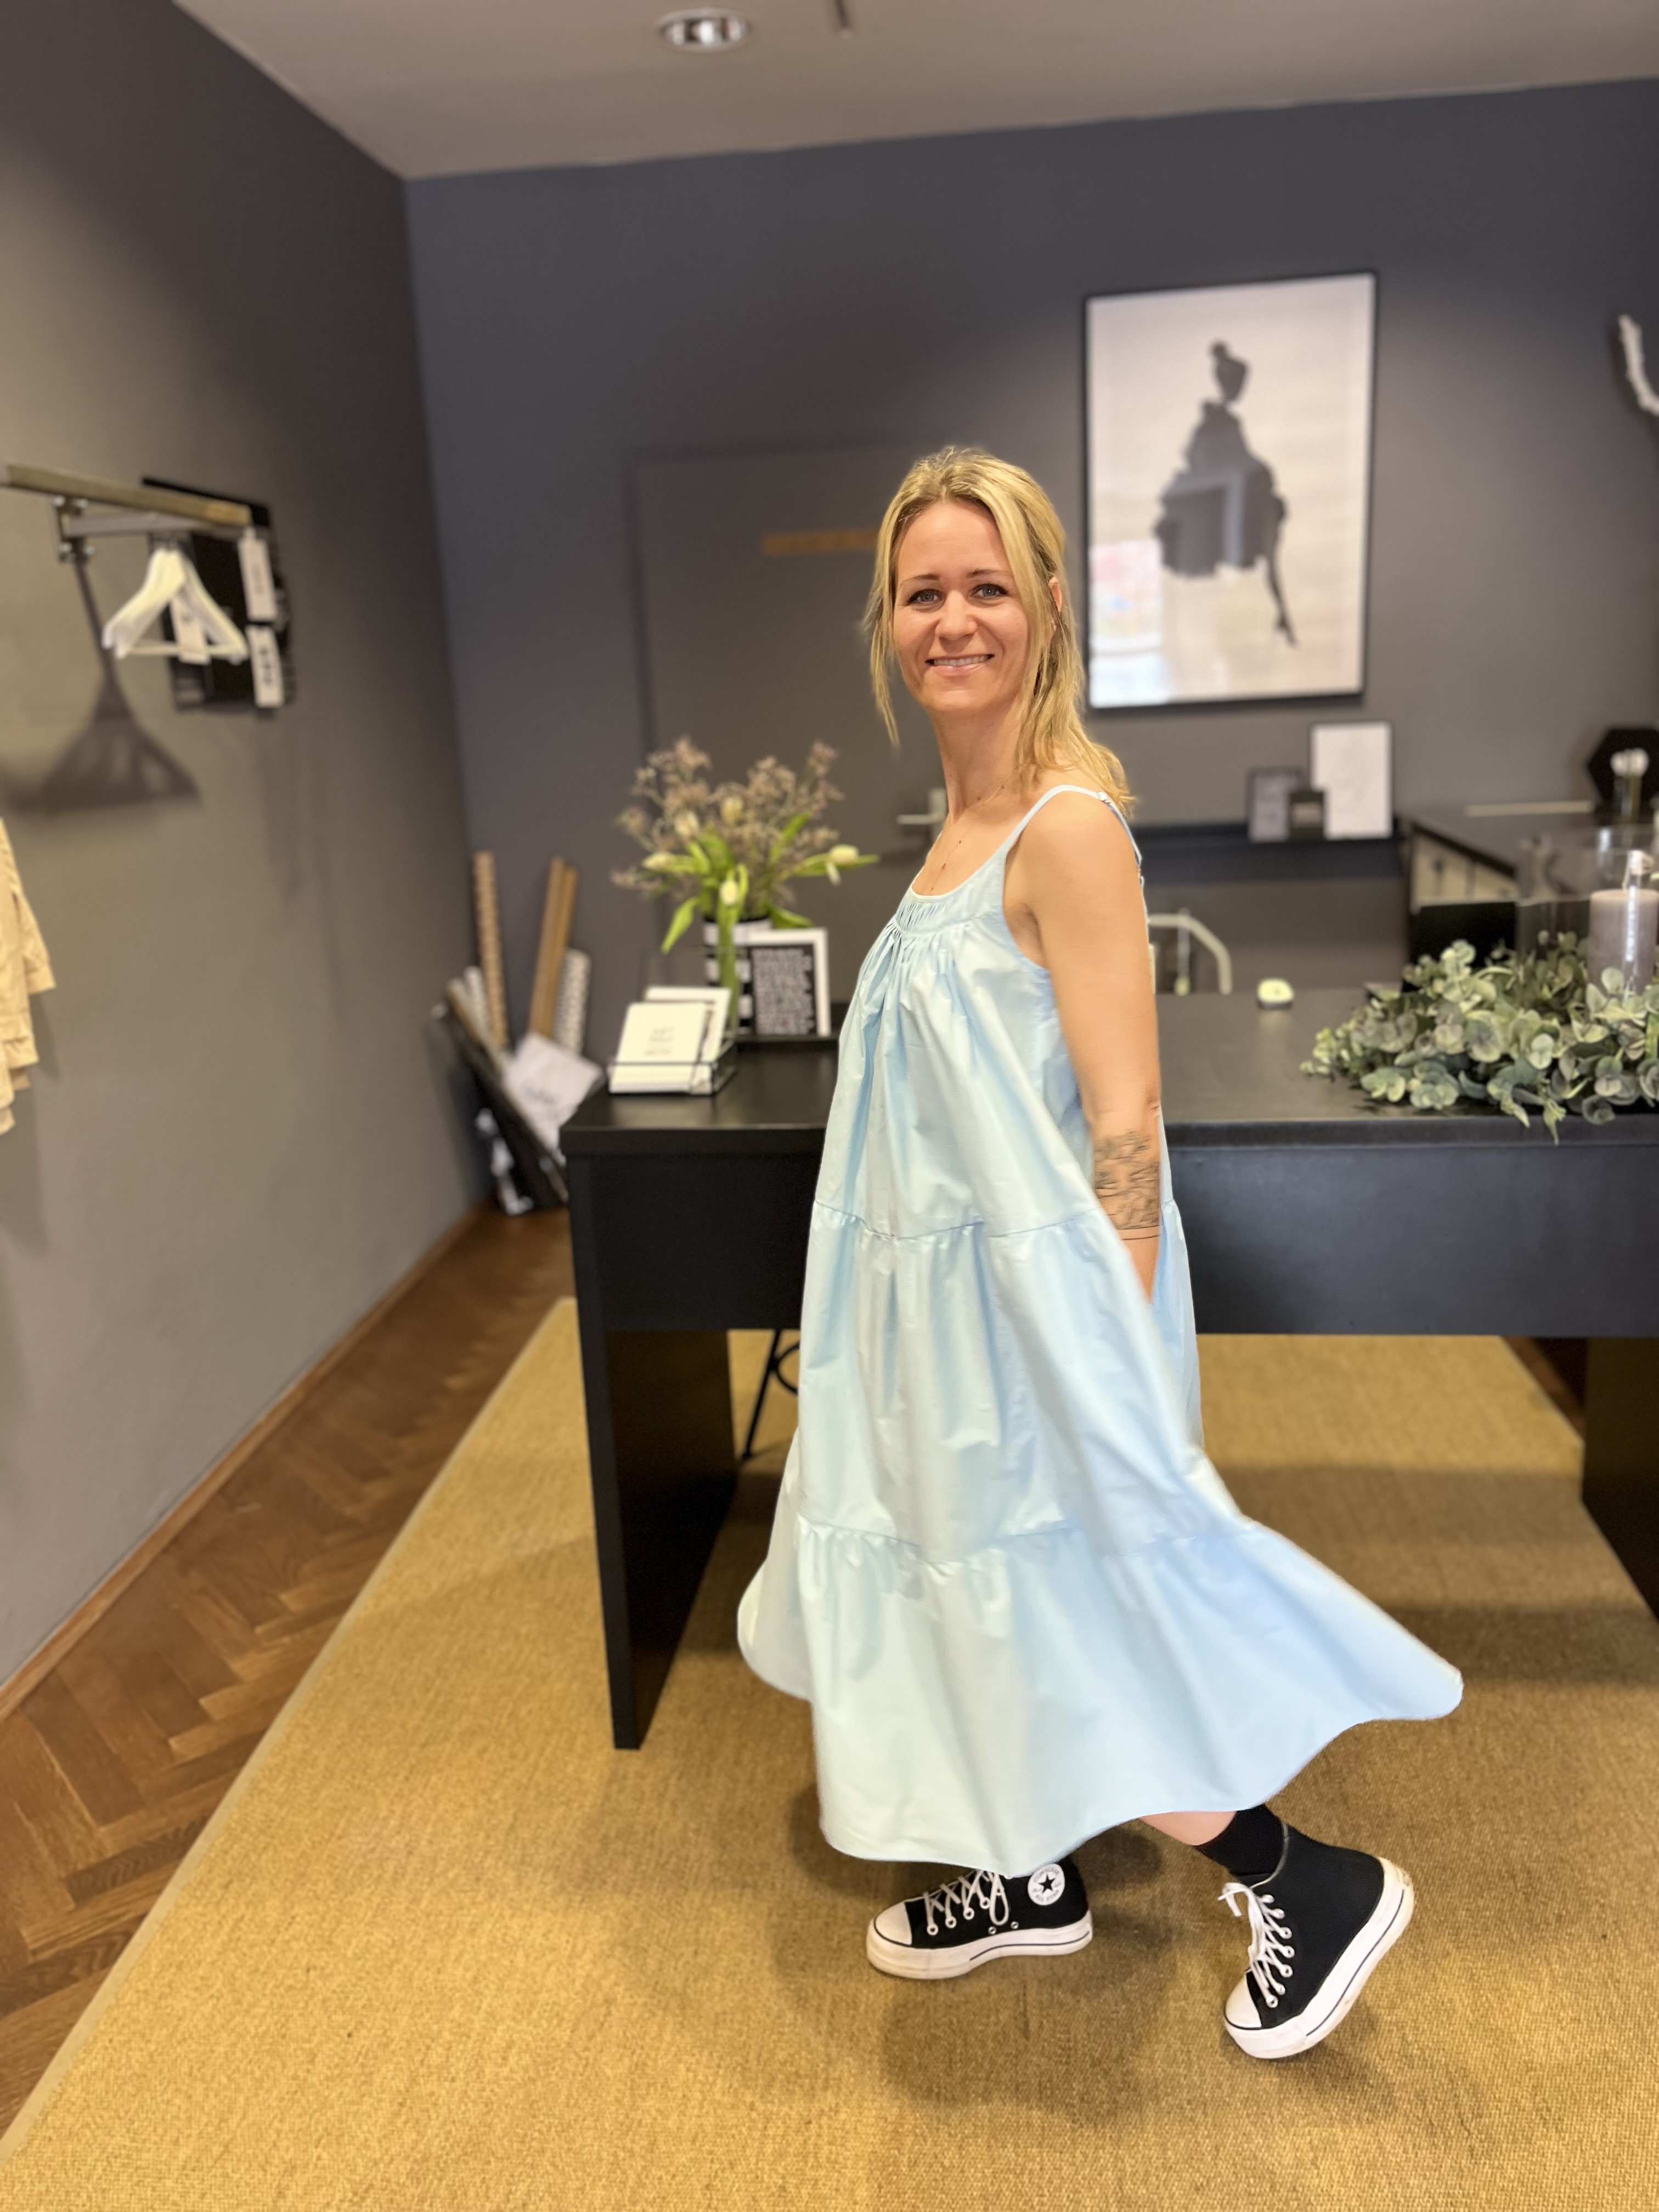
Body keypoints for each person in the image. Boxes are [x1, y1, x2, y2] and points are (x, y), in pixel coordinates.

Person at [736, 448, 1461, 2061]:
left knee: (1072, 1611)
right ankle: (1026, 1871)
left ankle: (1309, 1879)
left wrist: (1112, 1352)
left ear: (1050, 609)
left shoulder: (1069, 830)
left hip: (1033, 1318)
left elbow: (1129, 1121)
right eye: (924, 592)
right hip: (928, 1317)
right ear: (888, 623)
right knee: (966, 1601)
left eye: (988, 587)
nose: (954, 620)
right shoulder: (954, 831)